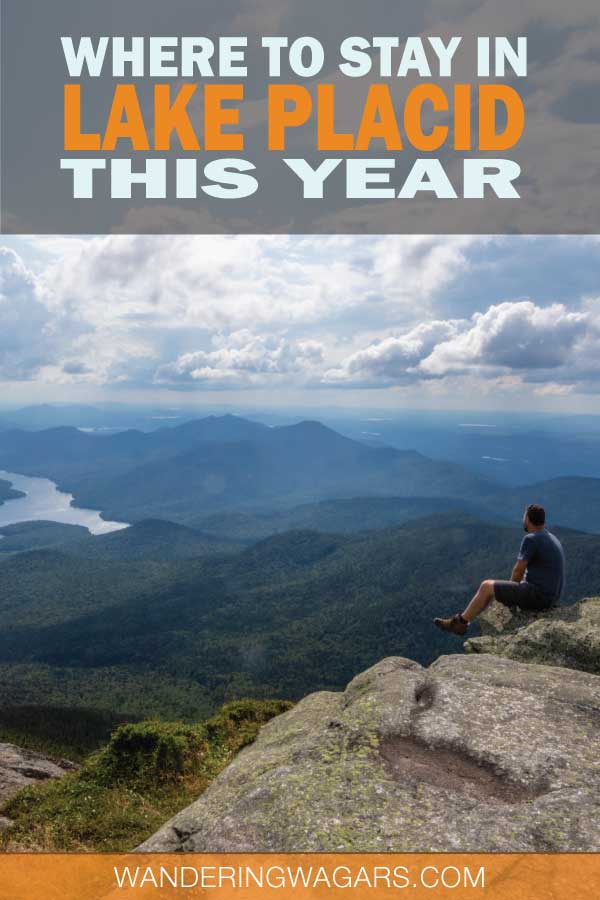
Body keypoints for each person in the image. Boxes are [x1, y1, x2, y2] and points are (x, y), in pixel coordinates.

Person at [434, 504, 565, 636]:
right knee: (495, 588)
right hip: (552, 597)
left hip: (539, 597)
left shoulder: (531, 539)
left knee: (486, 586)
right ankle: (462, 621)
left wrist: (511, 593)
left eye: (524, 517)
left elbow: (518, 570)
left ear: (527, 520)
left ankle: (459, 624)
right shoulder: (551, 537)